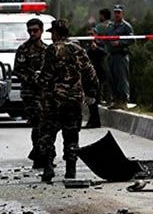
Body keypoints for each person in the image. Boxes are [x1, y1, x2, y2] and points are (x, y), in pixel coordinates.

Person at [37, 20, 98, 183]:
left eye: (52, 33)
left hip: (53, 100)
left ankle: (48, 167)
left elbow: (46, 75)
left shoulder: (52, 50)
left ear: (57, 33)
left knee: (48, 134)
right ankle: (71, 169)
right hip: (74, 100)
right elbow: (90, 72)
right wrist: (91, 92)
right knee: (71, 134)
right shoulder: (78, 49)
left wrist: (39, 82)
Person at [13, 18, 47, 167]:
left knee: (46, 124)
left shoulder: (47, 49)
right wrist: (31, 78)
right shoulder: (23, 49)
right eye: (30, 31)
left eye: (35, 30)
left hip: (44, 93)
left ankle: (42, 152)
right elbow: (17, 70)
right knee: (38, 122)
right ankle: (39, 155)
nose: (32, 33)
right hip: (30, 93)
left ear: (41, 31)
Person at [106, 5, 134, 109]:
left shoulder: (126, 26)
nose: (117, 15)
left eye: (119, 12)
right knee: (112, 79)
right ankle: (116, 100)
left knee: (122, 79)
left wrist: (120, 43)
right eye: (115, 13)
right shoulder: (111, 26)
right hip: (111, 55)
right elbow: (107, 38)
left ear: (122, 13)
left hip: (121, 55)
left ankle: (123, 101)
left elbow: (132, 39)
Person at [84, 26, 106, 129]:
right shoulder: (86, 46)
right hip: (88, 76)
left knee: (94, 99)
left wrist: (96, 48)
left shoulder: (100, 44)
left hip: (97, 75)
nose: (90, 36)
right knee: (90, 100)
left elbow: (104, 53)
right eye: (88, 34)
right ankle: (92, 120)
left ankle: (95, 121)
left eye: (91, 34)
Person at [95, 8, 112, 103]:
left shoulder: (99, 27)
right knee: (110, 77)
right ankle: (109, 98)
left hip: (101, 54)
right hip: (110, 52)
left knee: (101, 76)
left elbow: (96, 38)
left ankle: (100, 97)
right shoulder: (112, 26)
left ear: (103, 16)